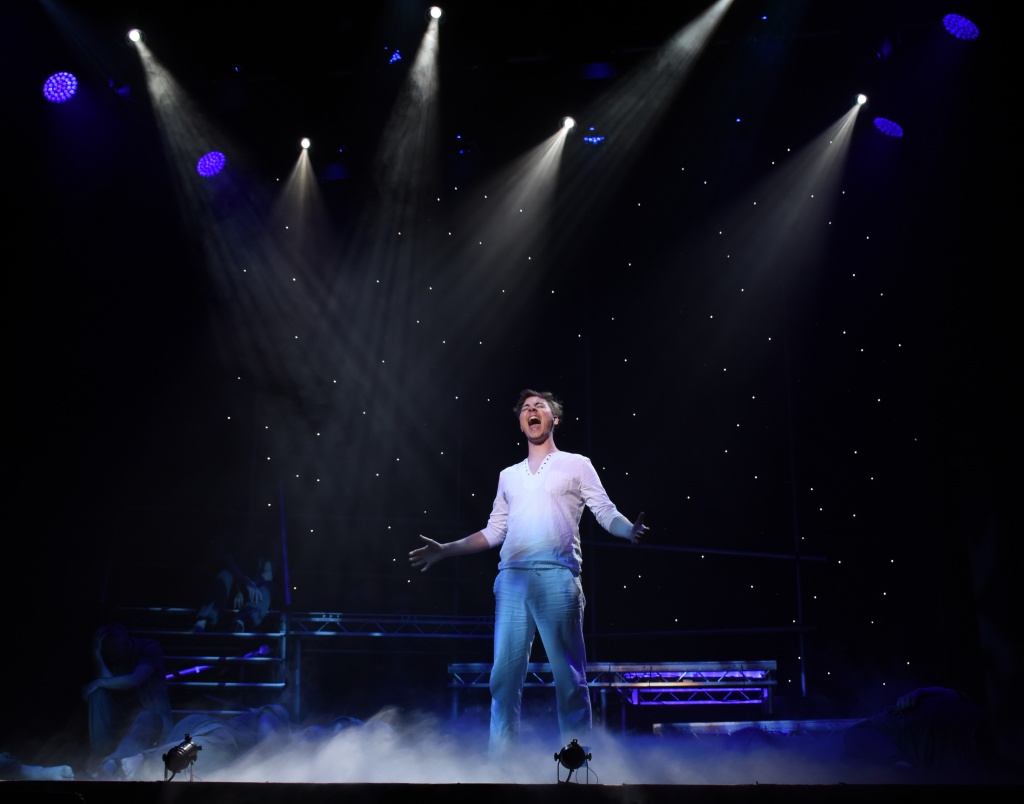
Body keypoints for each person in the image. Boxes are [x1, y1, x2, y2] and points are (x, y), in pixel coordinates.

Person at [410, 389, 648, 754]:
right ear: (522, 423)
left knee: (569, 679)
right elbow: (494, 531)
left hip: (557, 577)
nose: (532, 410)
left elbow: (605, 511)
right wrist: (446, 550)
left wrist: (628, 529)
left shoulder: (576, 464)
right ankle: (502, 766)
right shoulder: (508, 476)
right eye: (526, 408)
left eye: (540, 406)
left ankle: (576, 765)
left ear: (554, 419)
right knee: (503, 680)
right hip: (512, 581)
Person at [82, 622, 174, 776]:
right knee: (97, 695)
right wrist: (97, 653)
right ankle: (102, 759)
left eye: (115, 653)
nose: (113, 658)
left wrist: (98, 682)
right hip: (123, 726)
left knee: (145, 717)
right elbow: (107, 683)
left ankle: (112, 764)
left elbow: (135, 680)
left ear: (126, 643)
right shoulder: (112, 655)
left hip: (154, 722)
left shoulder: (149, 647)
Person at [193, 549, 274, 633]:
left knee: (268, 587)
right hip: (233, 589)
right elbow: (228, 562)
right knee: (224, 575)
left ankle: (240, 623)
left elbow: (269, 573)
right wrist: (243, 584)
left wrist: (251, 585)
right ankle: (203, 620)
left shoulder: (265, 549)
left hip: (252, 592)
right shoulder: (236, 545)